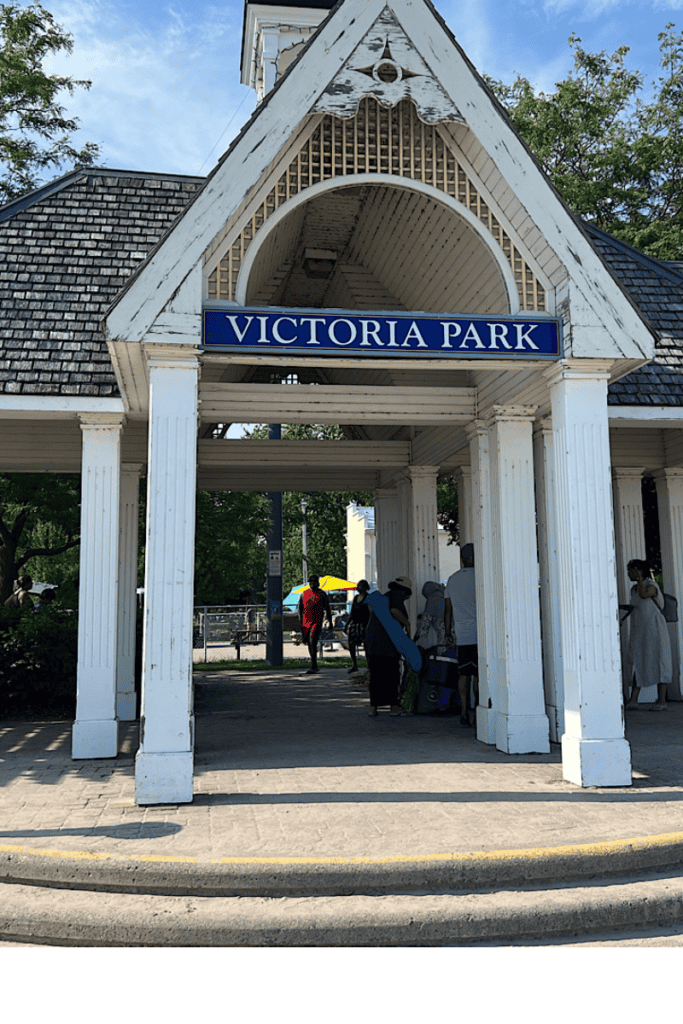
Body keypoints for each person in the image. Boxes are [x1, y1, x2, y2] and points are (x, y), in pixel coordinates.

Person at [623, 559, 672, 711]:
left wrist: (640, 579)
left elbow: (645, 595)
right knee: (639, 660)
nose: (629, 574)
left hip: (655, 629)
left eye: (632, 570)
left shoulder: (651, 585)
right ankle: (634, 699)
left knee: (660, 659)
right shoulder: (633, 589)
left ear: (639, 570)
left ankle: (661, 700)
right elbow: (635, 606)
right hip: (640, 629)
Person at [364, 575, 412, 716]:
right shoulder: (397, 595)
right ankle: (394, 707)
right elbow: (395, 611)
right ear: (405, 590)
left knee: (376, 676)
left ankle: (373, 708)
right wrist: (407, 624)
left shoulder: (384, 596)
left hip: (373, 641)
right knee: (392, 675)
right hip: (387, 644)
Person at [444, 543, 478, 728]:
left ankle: (464, 712)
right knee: (479, 674)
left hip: (462, 635)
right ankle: (480, 710)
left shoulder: (452, 579)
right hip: (479, 634)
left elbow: (448, 609)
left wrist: (448, 632)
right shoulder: (480, 578)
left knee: (464, 674)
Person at [298, 574, 333, 675]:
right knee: (309, 643)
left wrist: (330, 621)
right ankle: (314, 664)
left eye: (314, 581)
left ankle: (313, 665)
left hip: (316, 622)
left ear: (318, 583)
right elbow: (300, 608)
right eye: (310, 582)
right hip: (305, 623)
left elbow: (328, 609)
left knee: (313, 641)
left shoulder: (322, 594)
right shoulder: (304, 594)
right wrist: (300, 622)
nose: (312, 583)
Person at [415, 581, 447, 668]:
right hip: (454, 636)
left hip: (443, 640)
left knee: (442, 663)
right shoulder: (445, 595)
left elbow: (426, 620)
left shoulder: (433, 598)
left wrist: (418, 637)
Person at [347, 579, 370, 674]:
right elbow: (352, 612)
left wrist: (369, 625)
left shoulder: (368, 598)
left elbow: (371, 612)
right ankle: (354, 665)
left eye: (359, 586)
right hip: (355, 624)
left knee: (367, 645)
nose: (357, 587)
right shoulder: (356, 598)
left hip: (365, 624)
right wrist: (347, 624)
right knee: (351, 644)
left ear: (364, 587)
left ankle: (369, 664)